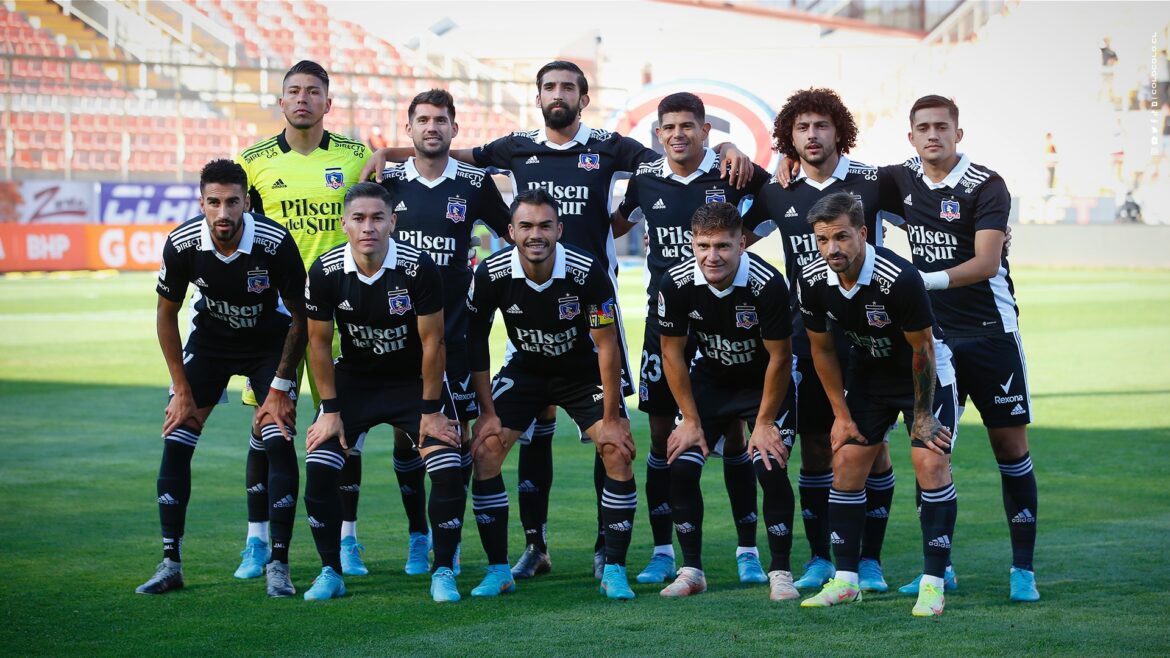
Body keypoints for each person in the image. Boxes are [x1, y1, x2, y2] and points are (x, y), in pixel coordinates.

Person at [363, 61, 754, 580]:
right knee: (528, 429)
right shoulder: (517, 146)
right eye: (550, 86)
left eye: (568, 87)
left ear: (582, 97)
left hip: (590, 306)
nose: (558, 94)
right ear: (539, 95)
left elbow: (668, 158)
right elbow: (451, 153)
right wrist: (388, 153)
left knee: (607, 432)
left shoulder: (612, 148)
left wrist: (727, 148)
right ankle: (534, 545)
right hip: (530, 314)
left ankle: (603, 548)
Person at [881, 95, 1039, 602]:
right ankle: (940, 566)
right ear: (910, 137)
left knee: (1010, 450)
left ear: (958, 133)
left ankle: (1023, 570)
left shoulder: (986, 185)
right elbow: (840, 175)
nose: (933, 135)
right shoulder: (900, 177)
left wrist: (920, 281)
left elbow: (988, 262)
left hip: (993, 334)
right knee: (931, 453)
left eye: (942, 127)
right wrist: (783, 159)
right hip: (936, 342)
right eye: (923, 127)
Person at [743, 88, 901, 593]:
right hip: (808, 335)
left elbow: (925, 219)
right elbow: (735, 239)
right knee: (815, 445)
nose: (812, 136)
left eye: (821, 126)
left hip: (871, 336)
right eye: (801, 128)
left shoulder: (873, 184)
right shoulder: (776, 192)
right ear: (789, 138)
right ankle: (818, 557)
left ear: (840, 131)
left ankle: (869, 561)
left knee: (870, 447)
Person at [610, 92, 771, 585]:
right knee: (664, 437)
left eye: (688, 126)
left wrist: (728, 262)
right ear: (658, 134)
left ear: (705, 130)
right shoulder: (645, 178)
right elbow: (614, 226)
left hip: (723, 321)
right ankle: (663, 550)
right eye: (669, 127)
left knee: (735, 433)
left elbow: (774, 207)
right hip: (667, 324)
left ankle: (748, 550)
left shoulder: (732, 174)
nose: (678, 134)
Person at [136, 159, 307, 597]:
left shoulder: (274, 242)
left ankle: (279, 564)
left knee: (278, 435)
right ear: (202, 203)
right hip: (210, 344)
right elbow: (166, 314)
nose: (223, 212)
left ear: (247, 202)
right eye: (214, 202)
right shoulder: (182, 243)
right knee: (177, 433)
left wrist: (281, 387)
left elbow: (302, 318)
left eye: (233, 202)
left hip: (268, 344)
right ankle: (170, 561)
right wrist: (181, 389)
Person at [233, 60, 374, 580]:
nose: (303, 99)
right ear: (281, 101)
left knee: (343, 430)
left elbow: (374, 216)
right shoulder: (252, 161)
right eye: (293, 91)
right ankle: (256, 541)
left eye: (313, 91)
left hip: (344, 308)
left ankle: (348, 539)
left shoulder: (356, 156)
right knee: (269, 424)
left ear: (328, 103)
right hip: (279, 316)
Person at [465, 188, 639, 600]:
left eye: (545, 225)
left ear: (560, 229)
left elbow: (608, 343)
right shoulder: (491, 273)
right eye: (525, 226)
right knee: (487, 449)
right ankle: (498, 569)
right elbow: (474, 340)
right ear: (510, 231)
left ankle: (613, 568)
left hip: (580, 371)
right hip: (526, 368)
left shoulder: (586, 270)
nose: (535, 234)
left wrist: (614, 418)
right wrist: (486, 412)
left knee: (616, 449)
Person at [796, 192, 958, 617]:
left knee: (930, 463)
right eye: (823, 239)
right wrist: (841, 415)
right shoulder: (811, 279)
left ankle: (933, 584)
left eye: (842, 237)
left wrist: (922, 416)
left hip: (923, 374)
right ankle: (846, 581)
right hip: (868, 375)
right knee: (846, 462)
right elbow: (823, 352)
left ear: (863, 234)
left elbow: (923, 349)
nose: (832, 249)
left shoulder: (899, 278)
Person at [300, 182, 463, 601]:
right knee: (320, 465)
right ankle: (330, 572)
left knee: (446, 467)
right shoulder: (325, 271)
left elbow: (434, 343)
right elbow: (317, 343)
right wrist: (330, 410)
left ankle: (442, 569)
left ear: (393, 221)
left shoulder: (418, 267)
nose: (368, 227)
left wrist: (430, 410)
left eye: (377, 218)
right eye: (358, 218)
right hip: (355, 381)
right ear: (344, 224)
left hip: (413, 381)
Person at [377, 89, 512, 575]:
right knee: (402, 437)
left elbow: (514, 232)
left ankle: (446, 547)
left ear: (454, 129)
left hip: (456, 334)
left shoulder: (475, 183)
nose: (432, 127)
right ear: (408, 128)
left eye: (441, 120)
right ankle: (419, 535)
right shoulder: (387, 180)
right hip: (395, 336)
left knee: (453, 443)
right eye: (423, 120)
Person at [656, 202, 798, 601]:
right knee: (681, 465)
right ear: (692, 243)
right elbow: (672, 354)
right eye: (703, 246)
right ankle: (692, 571)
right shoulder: (676, 282)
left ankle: (781, 572)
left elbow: (780, 358)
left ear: (742, 243)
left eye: (722, 246)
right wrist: (689, 419)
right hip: (712, 379)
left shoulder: (768, 283)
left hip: (764, 383)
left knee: (769, 466)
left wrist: (766, 421)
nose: (711, 256)